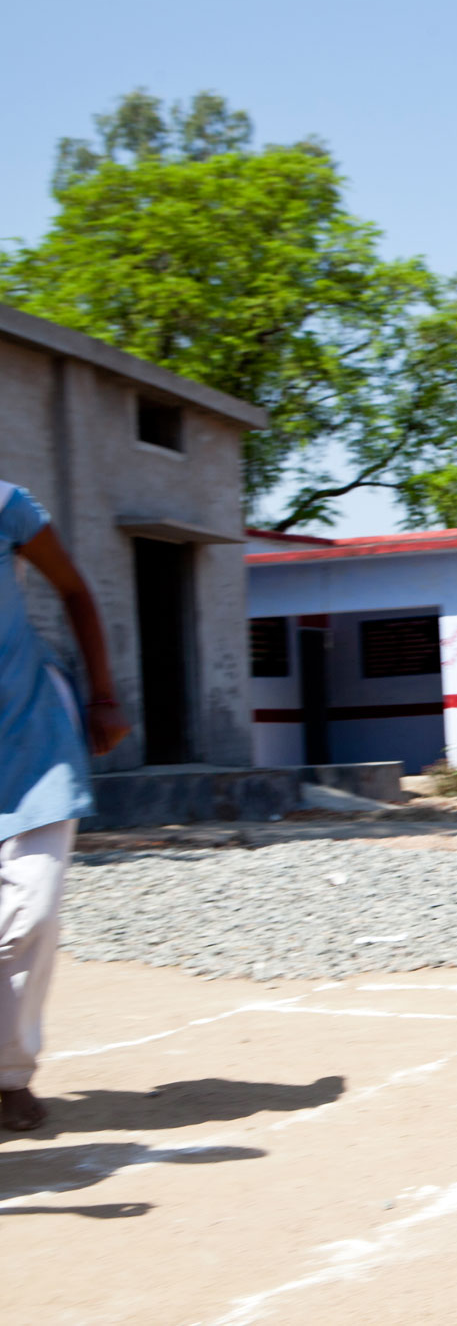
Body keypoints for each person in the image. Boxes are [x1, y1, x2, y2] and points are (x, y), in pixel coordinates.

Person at [0, 480, 128, 1131]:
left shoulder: (5, 506)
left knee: (34, 909)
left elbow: (75, 589)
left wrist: (103, 694)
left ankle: (10, 1073)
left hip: (30, 739)